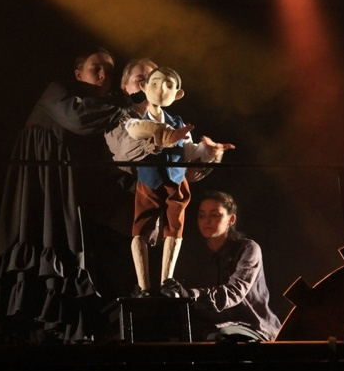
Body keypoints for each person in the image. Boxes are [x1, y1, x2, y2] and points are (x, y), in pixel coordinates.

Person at [0, 48, 132, 343]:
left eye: (110, 71)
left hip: (67, 190)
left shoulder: (106, 111)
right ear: (78, 73)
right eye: (96, 68)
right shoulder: (58, 92)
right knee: (40, 244)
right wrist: (125, 102)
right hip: (41, 187)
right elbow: (78, 118)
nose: (104, 75)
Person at [106, 66, 234, 297]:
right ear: (144, 87)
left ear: (177, 94)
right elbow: (136, 130)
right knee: (141, 227)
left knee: (175, 227)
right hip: (149, 180)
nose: (161, 89)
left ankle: (168, 281)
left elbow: (190, 151)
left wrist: (210, 152)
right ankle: (144, 286)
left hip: (175, 179)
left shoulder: (178, 122)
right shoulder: (133, 120)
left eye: (168, 85)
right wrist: (165, 135)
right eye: (154, 83)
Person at [165, 190, 282, 341]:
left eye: (215, 215)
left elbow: (235, 291)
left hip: (251, 326)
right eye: (202, 215)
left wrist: (192, 295)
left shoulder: (248, 249)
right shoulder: (195, 255)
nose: (207, 221)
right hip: (210, 328)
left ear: (231, 219)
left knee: (222, 338)